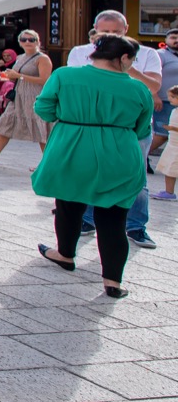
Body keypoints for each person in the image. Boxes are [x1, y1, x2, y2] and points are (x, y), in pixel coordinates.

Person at [33, 35, 147, 297]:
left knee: (68, 204)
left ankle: (65, 254)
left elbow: (44, 109)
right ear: (124, 58)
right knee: (114, 218)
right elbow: (141, 128)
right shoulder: (138, 88)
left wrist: (72, 116)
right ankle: (113, 282)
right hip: (119, 154)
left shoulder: (64, 75)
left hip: (71, 147)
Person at [66, 11, 160, 249]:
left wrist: (125, 63)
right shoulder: (80, 52)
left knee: (137, 175)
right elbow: (77, 85)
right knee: (91, 171)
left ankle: (136, 225)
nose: (110, 37)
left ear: (126, 29)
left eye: (116, 32)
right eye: (104, 32)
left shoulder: (146, 53)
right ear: (94, 29)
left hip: (132, 124)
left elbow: (153, 86)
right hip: (94, 123)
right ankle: (88, 219)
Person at [0, 30, 52, 166]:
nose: (27, 42)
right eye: (24, 39)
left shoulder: (42, 59)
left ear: (37, 42)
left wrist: (19, 76)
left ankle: (48, 164)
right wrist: (9, 76)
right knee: (6, 123)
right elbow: (16, 76)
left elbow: (45, 80)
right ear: (20, 42)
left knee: (40, 129)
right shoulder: (20, 57)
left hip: (34, 96)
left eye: (31, 39)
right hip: (18, 95)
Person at [149, 29, 178, 165]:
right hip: (164, 101)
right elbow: (151, 75)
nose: (176, 40)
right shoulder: (160, 55)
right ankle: (139, 157)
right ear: (166, 40)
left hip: (176, 103)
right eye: (173, 37)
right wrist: (154, 95)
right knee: (162, 134)